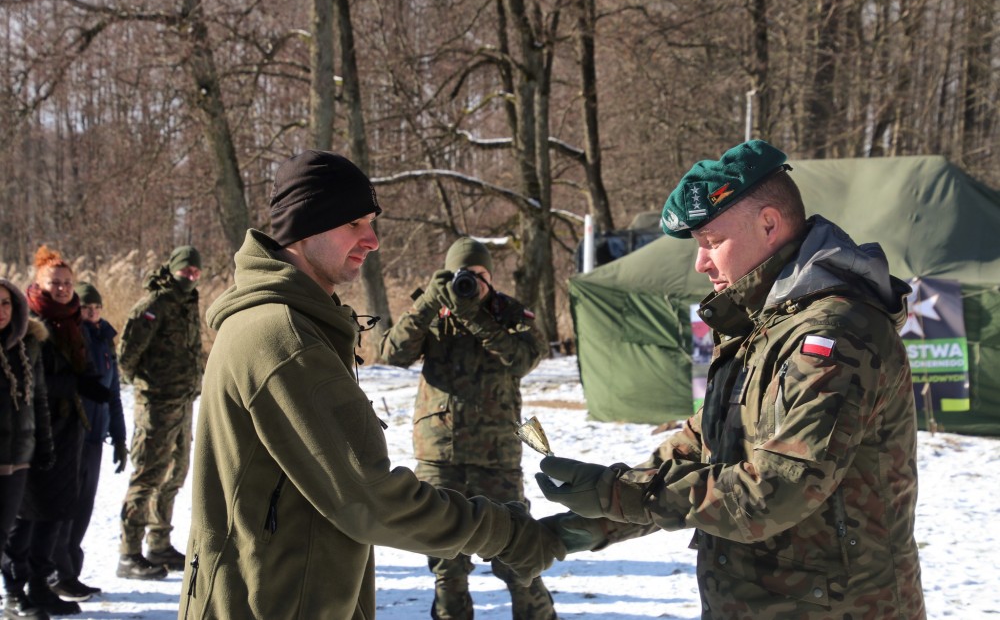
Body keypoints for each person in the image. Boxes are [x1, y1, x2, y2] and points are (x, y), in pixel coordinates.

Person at [535, 140, 926, 619]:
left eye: (712, 242)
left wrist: (619, 494)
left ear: (769, 224)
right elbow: (700, 451)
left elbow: (777, 491)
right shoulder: (758, 326)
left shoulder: (835, 333)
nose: (701, 263)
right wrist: (600, 520)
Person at [178, 150, 564, 620]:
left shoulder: (292, 322)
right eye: (354, 223)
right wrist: (508, 532)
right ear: (306, 225)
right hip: (269, 601)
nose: (373, 240)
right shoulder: (284, 337)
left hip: (285, 592)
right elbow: (369, 497)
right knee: (449, 579)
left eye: (371, 223)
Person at [380, 238, 555, 619]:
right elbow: (392, 353)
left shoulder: (509, 314)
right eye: (463, 275)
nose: (471, 283)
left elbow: (523, 359)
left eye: (479, 275)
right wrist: (428, 301)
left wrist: (475, 315)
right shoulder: (432, 314)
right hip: (439, 456)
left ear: (490, 277)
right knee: (447, 563)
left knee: (519, 556)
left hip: (496, 457)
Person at [2, 246, 111, 618]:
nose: (62, 288)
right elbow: (31, 380)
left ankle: (41, 583)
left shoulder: (72, 320)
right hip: (31, 430)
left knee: (56, 510)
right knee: (25, 514)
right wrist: (74, 384)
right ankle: (15, 589)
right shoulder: (28, 322)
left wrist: (90, 382)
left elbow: (80, 367)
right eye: (54, 283)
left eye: (67, 282)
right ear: (38, 284)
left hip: (67, 431)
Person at [116, 245, 204, 579]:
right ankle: (129, 552)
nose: (191, 276)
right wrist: (147, 385)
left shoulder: (188, 302)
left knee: (175, 474)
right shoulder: (155, 304)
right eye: (185, 270)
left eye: (195, 271)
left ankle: (159, 543)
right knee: (148, 475)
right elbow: (127, 356)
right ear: (173, 269)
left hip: (183, 402)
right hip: (155, 405)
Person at [49, 283, 127, 601]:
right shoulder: (71, 337)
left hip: (96, 437)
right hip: (72, 436)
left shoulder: (105, 337)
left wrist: (119, 436)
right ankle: (57, 575)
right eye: (86, 308)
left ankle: (70, 573)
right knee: (65, 509)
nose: (92, 313)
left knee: (83, 509)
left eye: (97, 307)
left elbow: (113, 393)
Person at [0, 279, 54, 620]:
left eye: (6, 303)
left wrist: (44, 444)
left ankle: (12, 595)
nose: (1, 311)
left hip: (18, 457)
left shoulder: (27, 346)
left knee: (7, 534)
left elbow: (38, 399)